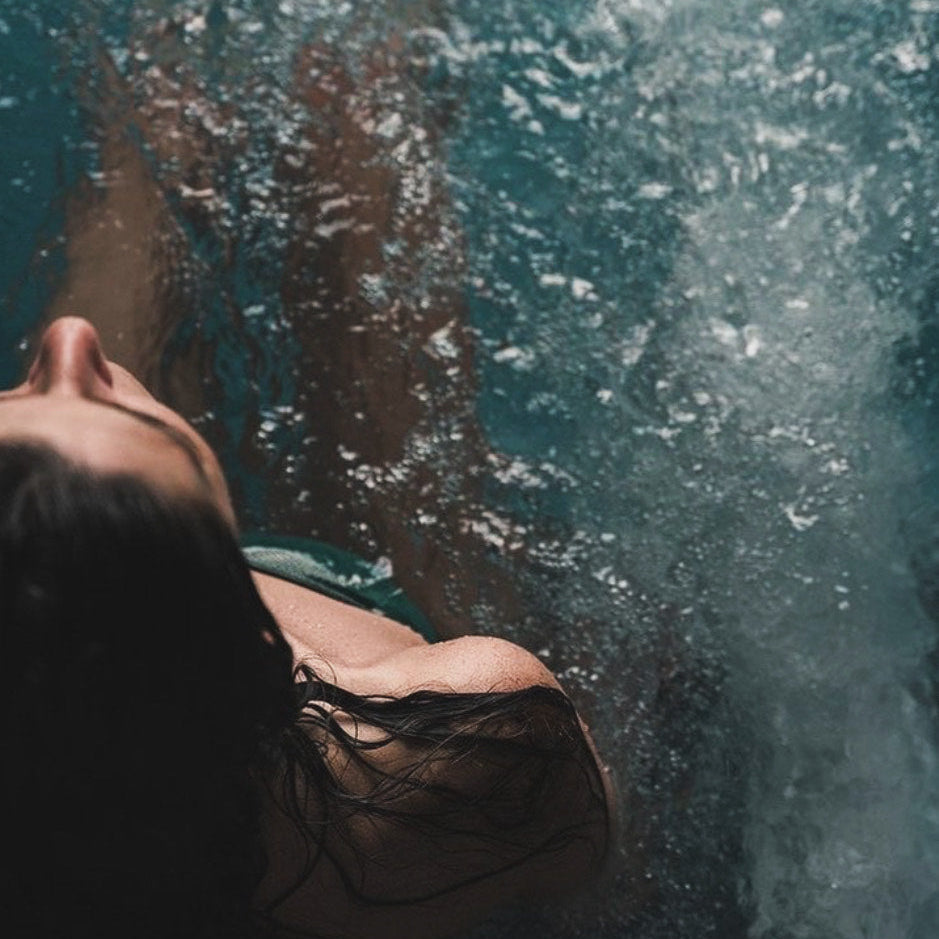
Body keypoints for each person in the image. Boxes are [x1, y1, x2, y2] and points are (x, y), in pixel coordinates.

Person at [1, 315, 615, 938]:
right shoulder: (467, 751)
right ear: (250, 638)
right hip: (364, 622)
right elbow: (605, 874)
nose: (67, 336)